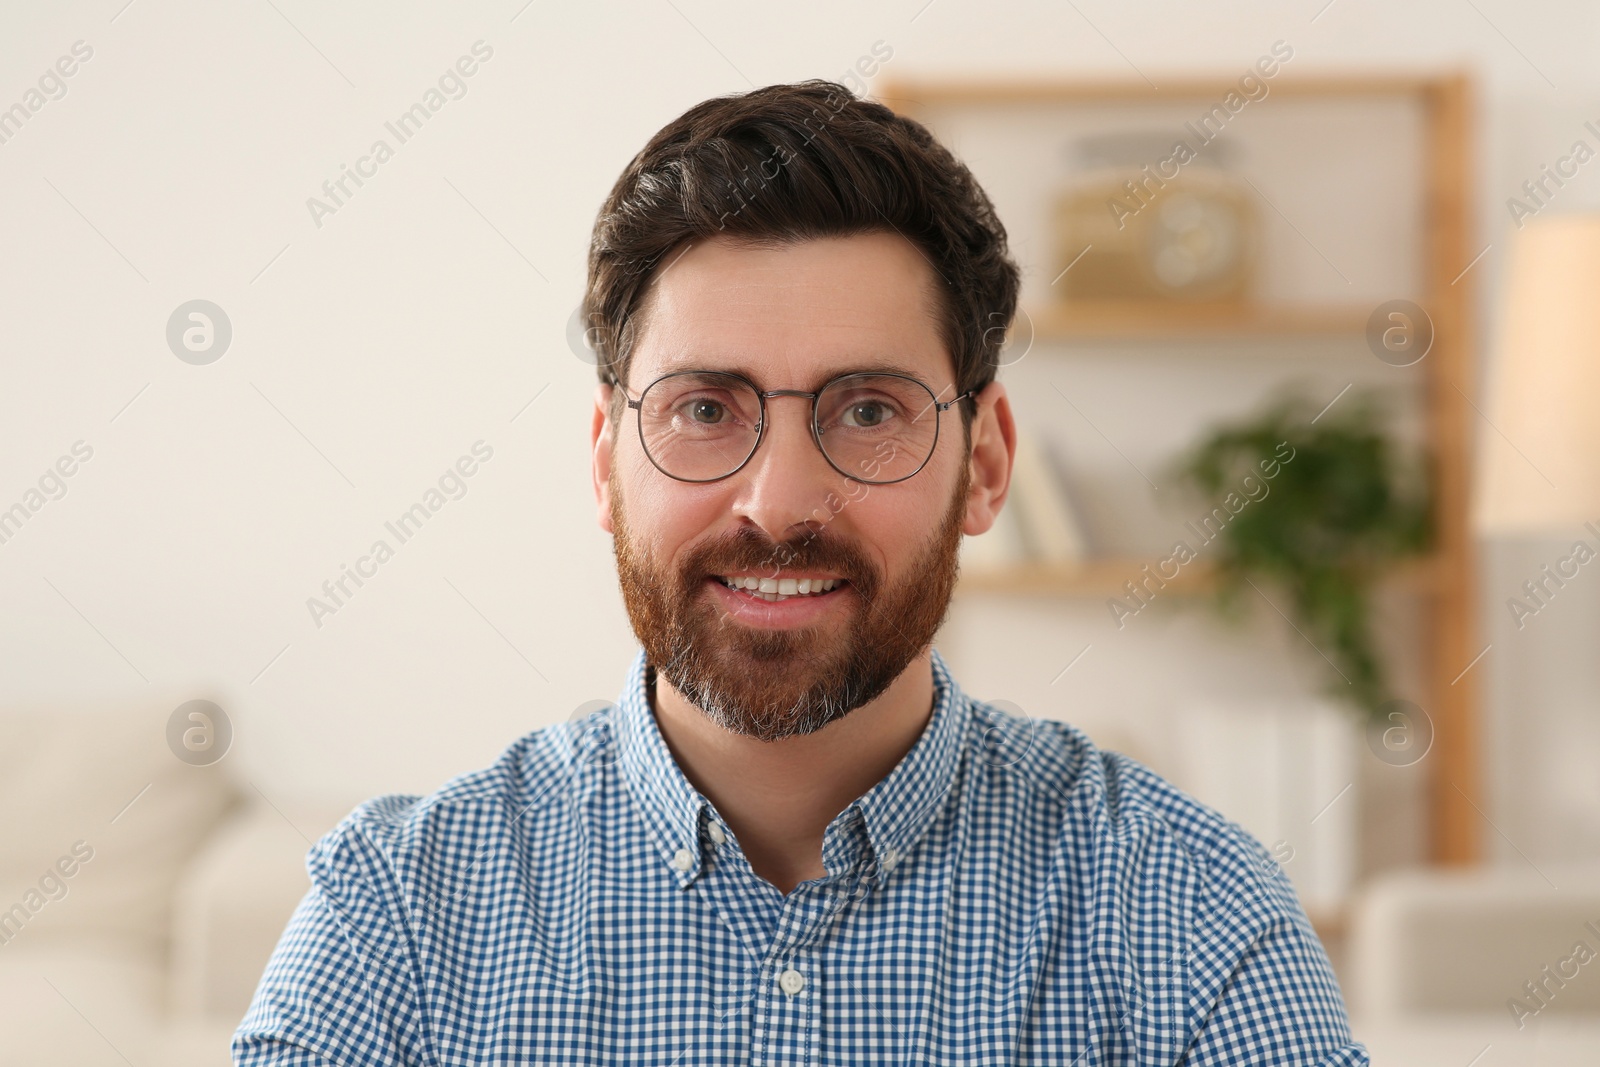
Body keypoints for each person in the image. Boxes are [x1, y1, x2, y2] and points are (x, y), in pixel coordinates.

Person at [234, 79, 1368, 1065]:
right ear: (603, 460)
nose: (777, 503)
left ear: (983, 464)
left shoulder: (1193, 911)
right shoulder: (393, 918)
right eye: (703, 409)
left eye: (867, 409)